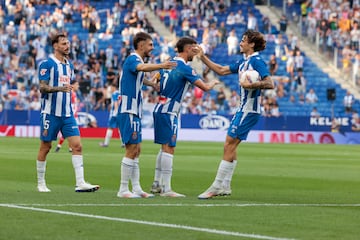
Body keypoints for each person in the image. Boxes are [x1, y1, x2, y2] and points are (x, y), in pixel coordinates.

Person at [197, 29, 274, 199]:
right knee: (231, 145)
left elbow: (270, 83)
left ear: (251, 44)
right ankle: (225, 186)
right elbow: (222, 70)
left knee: (229, 144)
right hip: (242, 109)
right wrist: (202, 57)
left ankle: (216, 186)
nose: (240, 42)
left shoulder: (257, 61)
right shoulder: (243, 62)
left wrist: (252, 86)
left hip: (249, 110)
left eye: (244, 40)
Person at [150, 37, 220, 197]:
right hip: (169, 111)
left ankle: (156, 183)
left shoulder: (168, 62)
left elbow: (156, 81)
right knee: (169, 147)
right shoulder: (184, 67)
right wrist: (213, 83)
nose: (195, 52)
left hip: (160, 107)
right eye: (194, 48)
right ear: (188, 49)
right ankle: (166, 189)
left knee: (164, 147)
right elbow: (204, 88)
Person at [36, 33, 100, 193]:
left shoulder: (69, 66)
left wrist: (73, 87)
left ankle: (80, 182)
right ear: (55, 46)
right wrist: (60, 88)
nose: (67, 46)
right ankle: (41, 183)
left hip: (67, 113)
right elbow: (42, 87)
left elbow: (68, 85)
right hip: (50, 113)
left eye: (68, 43)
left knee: (77, 146)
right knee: (46, 146)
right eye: (64, 44)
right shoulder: (47, 64)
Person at [116, 32, 176, 198]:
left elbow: (139, 77)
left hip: (135, 110)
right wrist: (161, 65)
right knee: (131, 149)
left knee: (137, 149)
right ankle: (123, 190)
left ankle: (136, 188)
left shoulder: (138, 61)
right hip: (128, 109)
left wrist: (151, 84)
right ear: (141, 45)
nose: (152, 48)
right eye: (150, 45)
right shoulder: (133, 59)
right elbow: (141, 69)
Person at [55, 80, 79, 153]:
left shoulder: (74, 93)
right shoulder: (70, 93)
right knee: (70, 132)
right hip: (71, 115)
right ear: (73, 85)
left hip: (74, 114)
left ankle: (68, 147)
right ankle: (63, 146)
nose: (78, 86)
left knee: (70, 132)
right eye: (77, 84)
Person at [99, 83, 124, 147]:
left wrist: (116, 111)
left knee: (110, 127)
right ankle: (123, 143)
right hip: (121, 113)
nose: (110, 89)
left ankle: (106, 143)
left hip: (115, 114)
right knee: (120, 129)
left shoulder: (114, 93)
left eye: (111, 87)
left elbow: (116, 103)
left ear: (113, 87)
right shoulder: (120, 93)